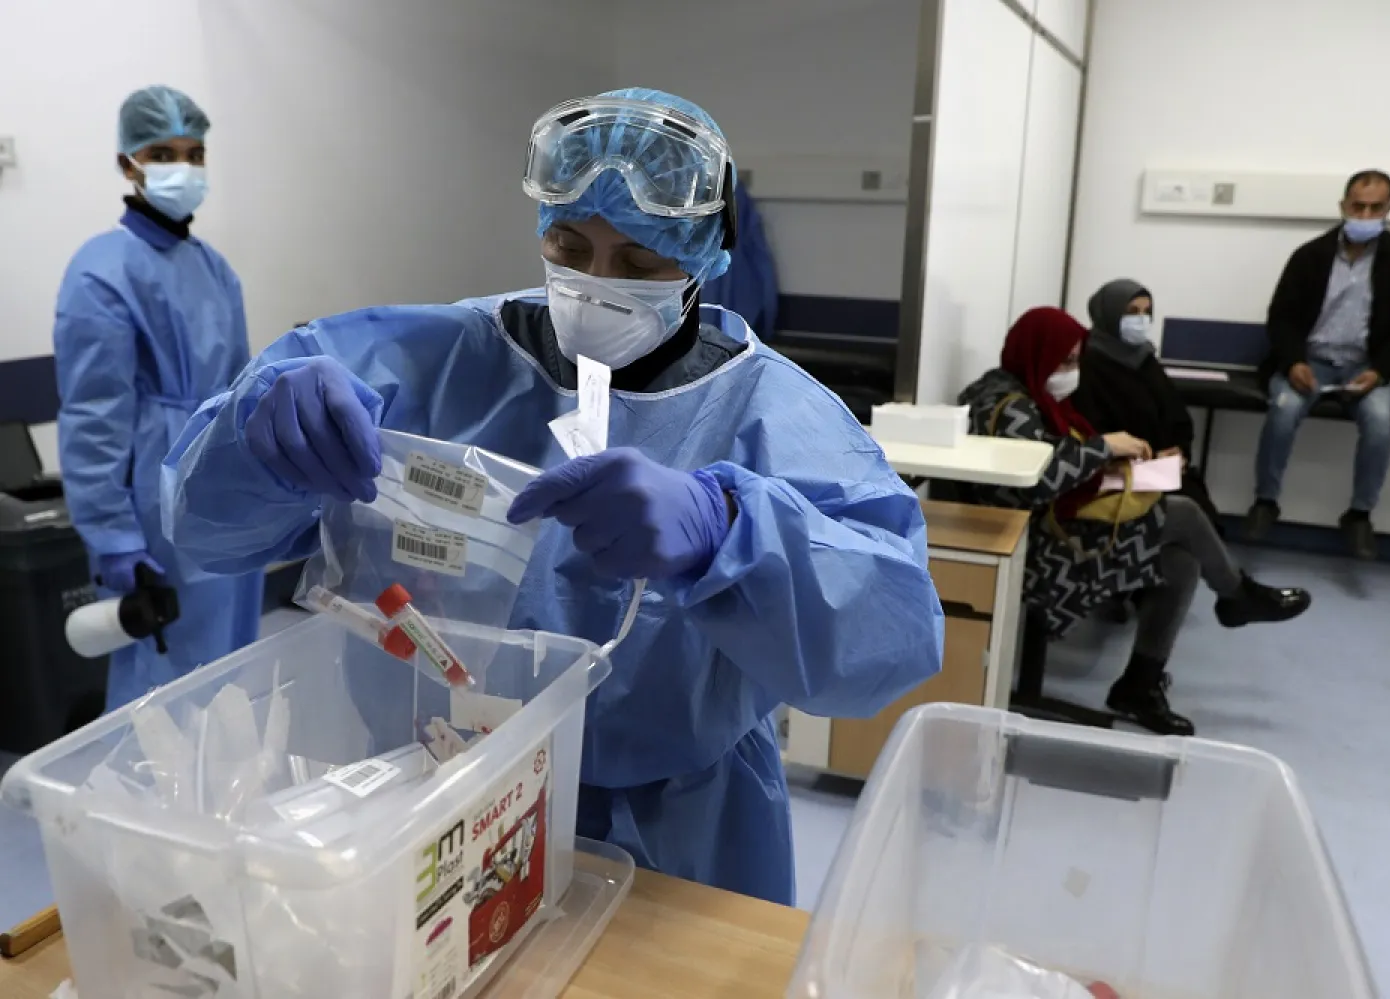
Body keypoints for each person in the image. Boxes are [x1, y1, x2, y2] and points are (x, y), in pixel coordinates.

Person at [161, 89, 944, 904]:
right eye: (569, 247)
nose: (597, 282)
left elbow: (892, 640)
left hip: (674, 847)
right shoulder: (431, 359)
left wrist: (731, 532)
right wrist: (258, 437)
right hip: (431, 804)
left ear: (708, 256)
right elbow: (206, 532)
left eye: (640, 262)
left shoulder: (775, 416)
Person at [959, 308, 1310, 736]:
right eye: (1065, 361)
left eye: (1075, 361)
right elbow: (1040, 480)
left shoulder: (1028, 391)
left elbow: (1060, 470)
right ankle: (1236, 595)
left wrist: (1129, 465)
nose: (1071, 372)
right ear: (1038, 352)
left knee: (1180, 558)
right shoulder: (1006, 405)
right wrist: (1105, 446)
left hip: (1056, 526)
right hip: (1035, 549)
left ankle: (1140, 684)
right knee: (1181, 512)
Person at [54, 85, 261, 711]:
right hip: (154, 501)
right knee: (162, 679)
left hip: (224, 491)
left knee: (228, 666)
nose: (185, 168)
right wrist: (114, 539)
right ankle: (146, 804)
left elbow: (238, 388)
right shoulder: (101, 270)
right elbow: (92, 421)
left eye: (196, 154)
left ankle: (222, 798)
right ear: (128, 164)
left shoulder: (215, 268)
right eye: (164, 152)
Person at [1245, 169, 1390, 559]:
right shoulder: (1310, 256)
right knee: (1282, 410)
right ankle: (1265, 502)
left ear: (1389, 209)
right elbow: (1281, 318)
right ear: (1343, 206)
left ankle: (1359, 514)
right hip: (1311, 361)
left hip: (1368, 366)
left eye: (1375, 208)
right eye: (1358, 206)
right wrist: (1293, 361)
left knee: (1380, 421)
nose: (1365, 215)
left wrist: (1380, 371)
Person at [1072, 279, 1220, 526]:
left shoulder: (1145, 360)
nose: (1141, 320)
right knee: (1192, 518)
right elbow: (1094, 431)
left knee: (1199, 520)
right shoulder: (1088, 365)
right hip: (1123, 477)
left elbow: (1177, 416)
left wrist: (1179, 451)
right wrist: (1144, 458)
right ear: (1108, 314)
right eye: (1131, 312)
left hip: (1166, 473)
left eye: (1146, 312)